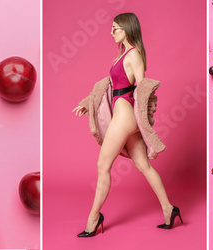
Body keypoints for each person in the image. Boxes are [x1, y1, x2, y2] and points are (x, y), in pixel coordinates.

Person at [72, 13, 179, 237]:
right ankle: (169, 209)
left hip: (124, 116)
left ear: (127, 30)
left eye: (115, 29)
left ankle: (93, 219)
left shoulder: (134, 55)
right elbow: (108, 84)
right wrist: (86, 102)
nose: (111, 33)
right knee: (144, 166)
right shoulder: (124, 55)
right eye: (112, 29)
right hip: (123, 114)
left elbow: (142, 88)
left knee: (103, 166)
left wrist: (146, 119)